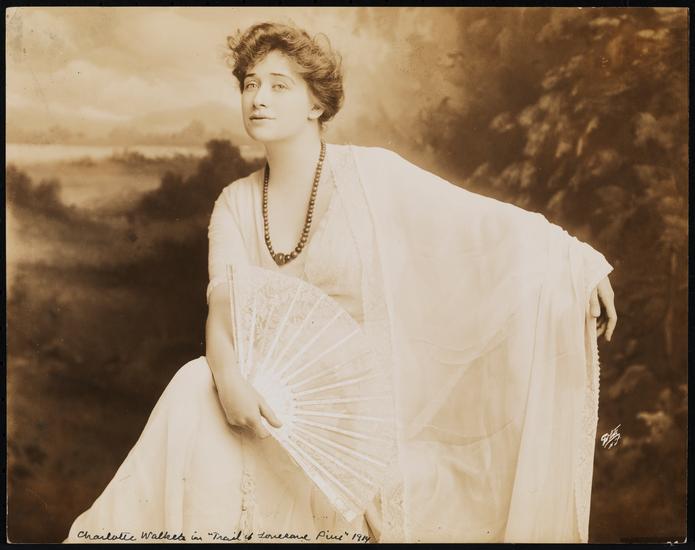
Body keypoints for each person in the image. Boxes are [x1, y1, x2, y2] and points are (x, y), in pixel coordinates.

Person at [65, 21, 617, 544]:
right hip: (274, 408)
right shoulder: (235, 202)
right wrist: (229, 381)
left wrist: (575, 261)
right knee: (196, 383)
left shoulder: (371, 175)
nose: (258, 98)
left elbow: (479, 225)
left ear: (317, 104)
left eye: (279, 85)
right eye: (250, 84)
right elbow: (223, 308)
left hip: (360, 412)